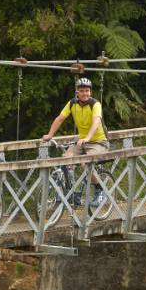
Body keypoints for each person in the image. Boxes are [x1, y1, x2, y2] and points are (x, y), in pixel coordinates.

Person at [41, 77, 110, 206]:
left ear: (90, 92)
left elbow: (96, 122)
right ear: (77, 92)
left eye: (87, 91)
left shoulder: (95, 104)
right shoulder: (72, 103)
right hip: (82, 142)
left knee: (85, 163)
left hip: (99, 142)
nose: (85, 93)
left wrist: (88, 138)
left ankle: (100, 189)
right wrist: (50, 134)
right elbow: (60, 118)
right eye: (82, 90)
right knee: (66, 158)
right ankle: (71, 192)